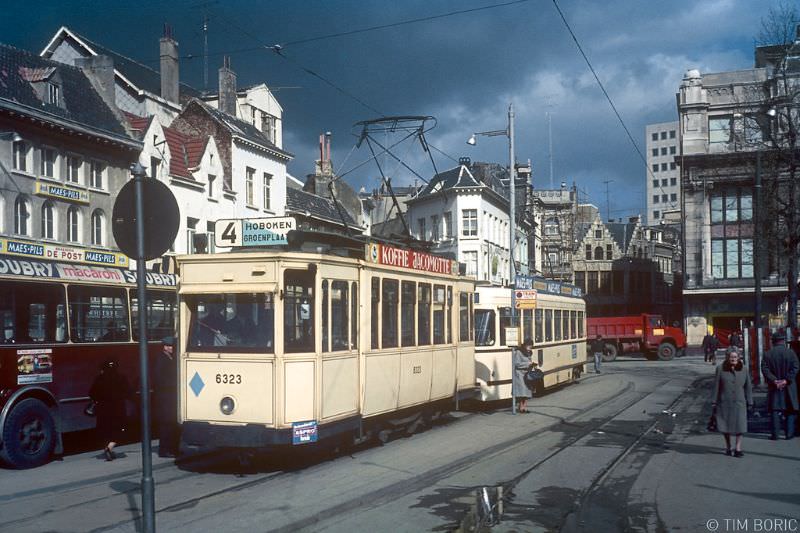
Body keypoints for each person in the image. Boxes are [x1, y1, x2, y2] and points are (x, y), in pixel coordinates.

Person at [712, 346, 752, 457]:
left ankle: (738, 448)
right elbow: (716, 386)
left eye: (735, 357)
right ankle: (729, 447)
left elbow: (748, 387)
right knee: (725, 425)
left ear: (739, 358)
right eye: (731, 357)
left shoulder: (744, 369)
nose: (733, 359)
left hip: (740, 402)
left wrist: (750, 401)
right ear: (727, 358)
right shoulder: (720, 368)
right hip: (725, 402)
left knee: (741, 425)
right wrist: (714, 401)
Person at [89, 359, 132, 461]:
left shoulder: (99, 378)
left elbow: (91, 393)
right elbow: (128, 392)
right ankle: (109, 448)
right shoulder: (121, 378)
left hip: (103, 410)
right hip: (118, 409)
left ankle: (107, 448)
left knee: (105, 430)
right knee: (120, 430)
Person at [761, 330, 799, 440]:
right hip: (789, 386)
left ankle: (775, 434)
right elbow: (796, 367)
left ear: (773, 341)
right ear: (783, 341)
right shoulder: (791, 353)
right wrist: (786, 380)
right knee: (790, 409)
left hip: (774, 386)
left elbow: (765, 369)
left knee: (774, 409)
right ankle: (789, 434)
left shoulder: (768, 354)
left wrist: (774, 381)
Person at [154, 336, 180, 457]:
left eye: (171, 346)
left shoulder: (171, 358)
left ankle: (171, 448)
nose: (170, 348)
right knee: (166, 423)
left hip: (170, 396)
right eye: (168, 346)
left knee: (171, 423)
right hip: (165, 397)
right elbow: (160, 378)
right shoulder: (161, 359)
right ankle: (164, 450)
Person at [512, 338, 535, 413]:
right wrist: (528, 364)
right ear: (525, 345)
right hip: (520, 374)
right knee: (521, 392)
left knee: (526, 392)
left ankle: (524, 407)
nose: (530, 347)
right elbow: (517, 364)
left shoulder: (529, 352)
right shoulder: (519, 352)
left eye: (531, 346)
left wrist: (532, 365)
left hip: (527, 374)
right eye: (529, 346)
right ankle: (521, 408)